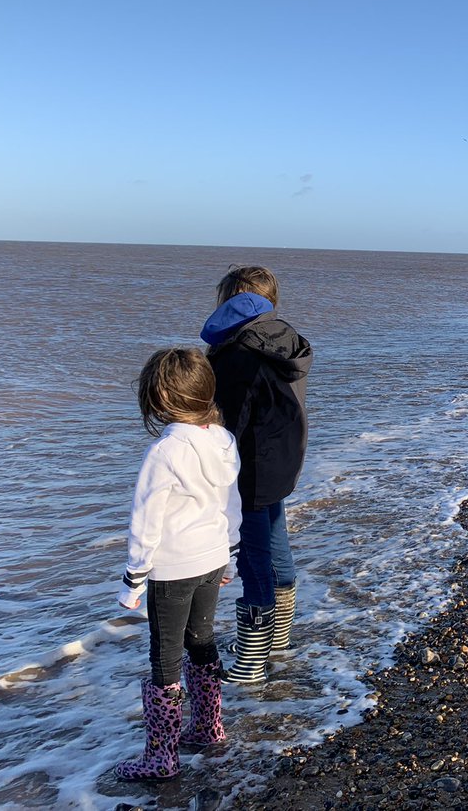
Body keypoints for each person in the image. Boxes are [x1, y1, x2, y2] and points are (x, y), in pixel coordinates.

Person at [114, 348, 242, 781]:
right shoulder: (223, 440)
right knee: (202, 639)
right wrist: (232, 559)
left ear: (162, 399)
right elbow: (232, 503)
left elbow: (145, 522)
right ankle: (208, 727)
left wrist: (134, 580)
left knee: (165, 660)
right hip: (213, 557)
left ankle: (161, 757)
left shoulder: (165, 451)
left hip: (172, 569)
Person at [200, 266, 312, 683]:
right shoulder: (284, 339)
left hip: (251, 463)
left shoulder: (241, 351)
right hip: (282, 458)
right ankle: (275, 641)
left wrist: (211, 469)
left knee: (253, 556)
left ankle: (250, 663)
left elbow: (229, 420)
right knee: (274, 538)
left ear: (233, 300)